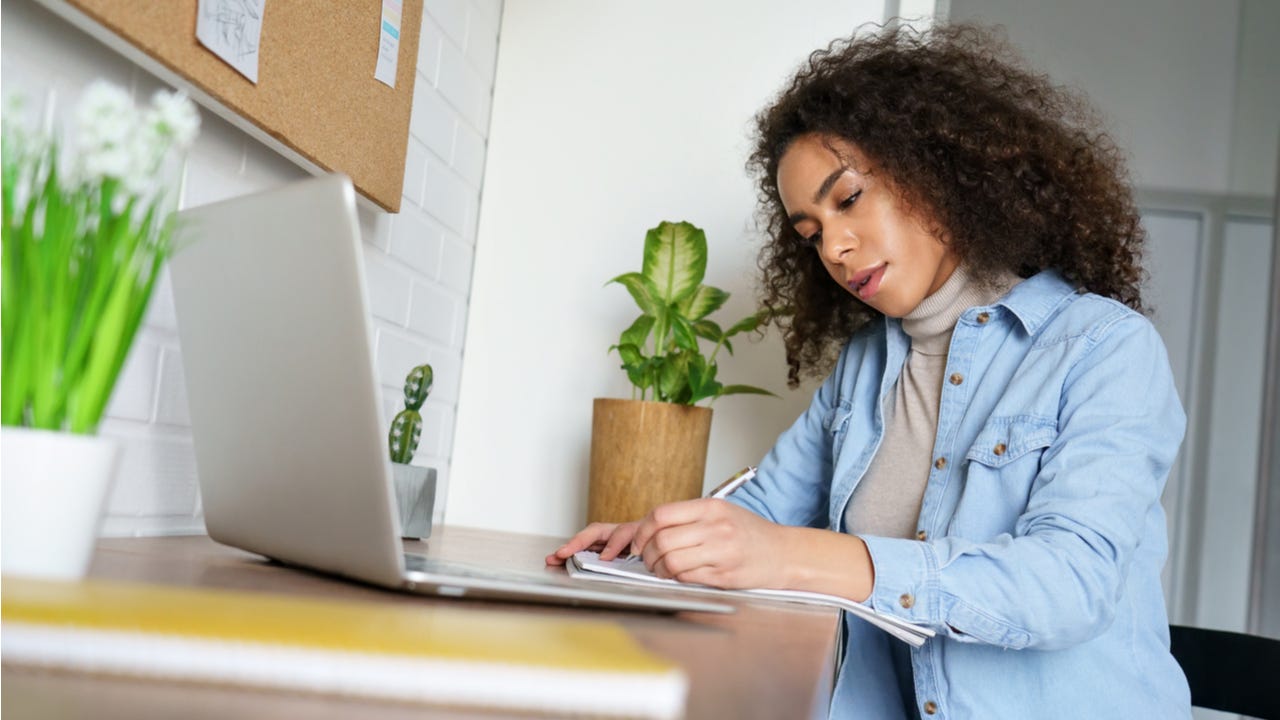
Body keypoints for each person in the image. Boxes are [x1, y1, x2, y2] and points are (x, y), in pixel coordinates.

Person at [547, 22, 1190, 720]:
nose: (837, 247)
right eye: (812, 233)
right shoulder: (868, 363)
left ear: (936, 168)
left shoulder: (1104, 349)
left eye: (848, 199)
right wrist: (654, 540)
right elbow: (764, 509)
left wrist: (793, 557)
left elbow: (1067, 585)